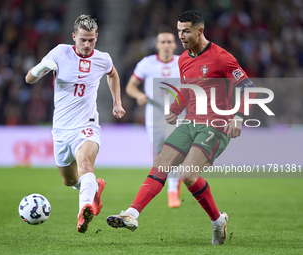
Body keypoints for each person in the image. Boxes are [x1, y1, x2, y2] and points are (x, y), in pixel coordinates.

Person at [106, 10, 256, 245]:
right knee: (160, 163)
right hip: (190, 123)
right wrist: (175, 108)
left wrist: (238, 116)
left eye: (186, 31)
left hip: (215, 126)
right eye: (179, 31)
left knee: (187, 174)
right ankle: (132, 214)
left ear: (200, 31)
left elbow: (248, 86)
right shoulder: (184, 59)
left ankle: (217, 221)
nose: (181, 36)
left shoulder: (222, 57)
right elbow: (188, 90)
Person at [25, 14, 125, 233]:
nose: (87, 45)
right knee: (69, 180)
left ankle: (83, 212)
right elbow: (29, 78)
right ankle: (93, 187)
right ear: (74, 37)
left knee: (86, 164)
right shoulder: (60, 53)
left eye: (91, 40)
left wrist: (117, 102)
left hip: (87, 125)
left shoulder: (103, 58)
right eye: (82, 40)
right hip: (61, 129)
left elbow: (113, 74)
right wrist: (42, 67)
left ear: (96, 37)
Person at [125, 29, 185, 208]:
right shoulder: (147, 63)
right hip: (154, 115)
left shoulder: (182, 62)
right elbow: (130, 87)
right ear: (157, 45)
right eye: (163, 42)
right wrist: (138, 95)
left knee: (172, 150)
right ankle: (174, 183)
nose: (166, 45)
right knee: (159, 152)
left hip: (176, 113)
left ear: (175, 45)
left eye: (169, 42)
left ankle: (172, 190)